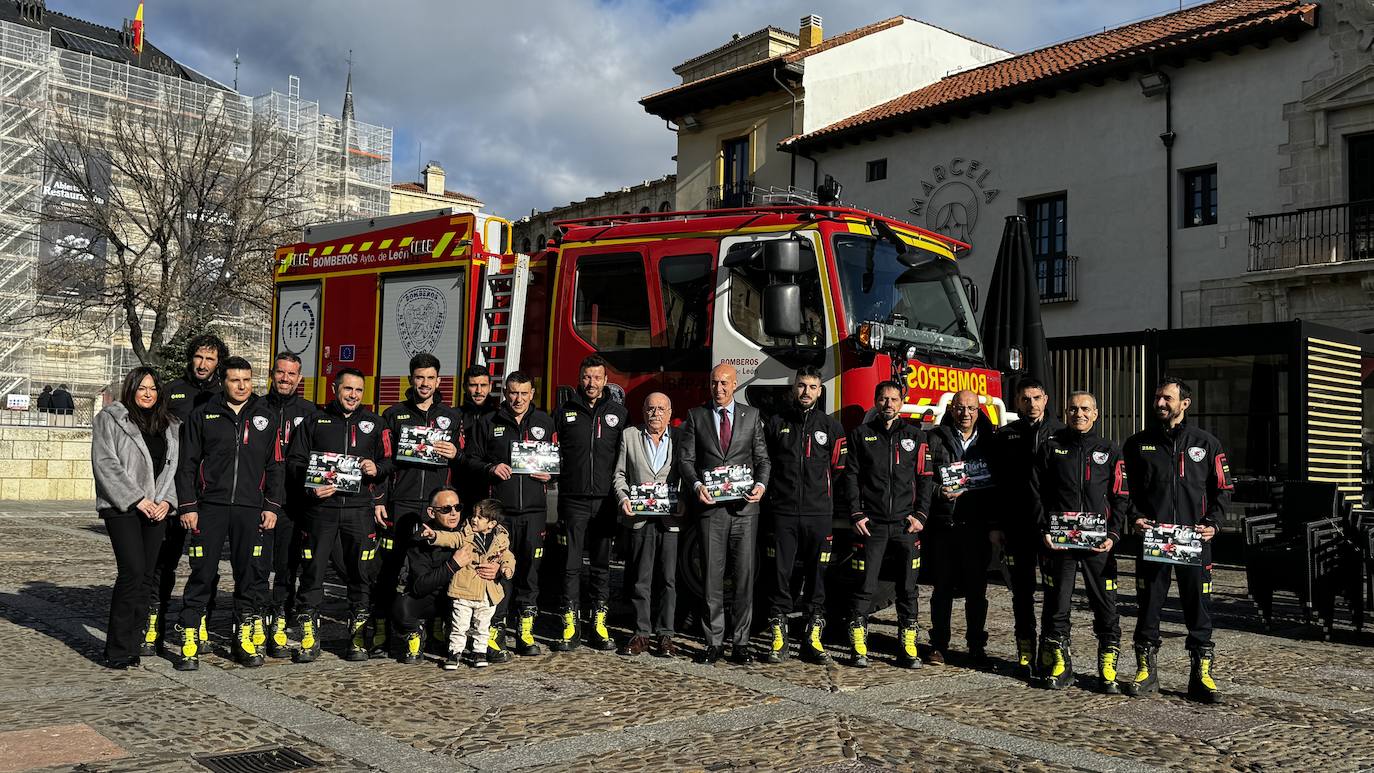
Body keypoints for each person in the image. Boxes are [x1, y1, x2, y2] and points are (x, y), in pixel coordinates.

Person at [1123, 377, 1231, 704]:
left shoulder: (1207, 444)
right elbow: (1124, 492)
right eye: (1157, 398)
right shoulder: (1137, 444)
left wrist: (1213, 522)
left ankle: (1201, 674)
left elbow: (1223, 490)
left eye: (1167, 399)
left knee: (1198, 610)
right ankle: (1146, 670)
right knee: (1148, 608)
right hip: (1154, 541)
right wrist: (1135, 517)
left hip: (1194, 542)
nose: (1159, 404)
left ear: (1184, 403)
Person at [172, 357, 284, 670]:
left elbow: (275, 465)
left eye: (247, 380)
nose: (242, 386)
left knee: (248, 574)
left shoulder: (266, 416)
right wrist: (188, 505)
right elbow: (187, 465)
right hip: (210, 508)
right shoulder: (202, 415)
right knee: (202, 573)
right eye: (235, 380)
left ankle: (242, 637)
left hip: (251, 509)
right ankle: (190, 637)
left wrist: (272, 506)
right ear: (224, 381)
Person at [1030, 391, 1132, 692]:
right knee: (1057, 605)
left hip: (1098, 544)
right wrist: (1043, 529)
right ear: (1065, 412)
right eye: (1073, 409)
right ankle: (1062, 664)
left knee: (1106, 607)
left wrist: (1113, 535)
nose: (1079, 414)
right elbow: (1036, 493)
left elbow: (1121, 496)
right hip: (1060, 544)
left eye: (1085, 409)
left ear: (1096, 414)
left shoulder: (1110, 450)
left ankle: (1107, 667)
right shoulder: (1051, 447)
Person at [288, 367, 390, 663]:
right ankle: (309, 636)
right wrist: (310, 489)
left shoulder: (375, 422)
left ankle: (357, 638)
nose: (353, 395)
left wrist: (377, 469)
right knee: (312, 572)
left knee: (360, 573)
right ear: (335, 389)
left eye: (359, 390)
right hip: (321, 511)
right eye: (348, 389)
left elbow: (388, 461)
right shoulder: (314, 420)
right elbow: (295, 461)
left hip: (359, 511)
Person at [677, 362, 770, 665]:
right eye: (714, 383)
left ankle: (741, 642)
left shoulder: (752, 416)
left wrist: (760, 486)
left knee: (744, 579)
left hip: (745, 510)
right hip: (711, 510)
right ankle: (713, 641)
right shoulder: (696, 416)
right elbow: (687, 460)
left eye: (724, 383)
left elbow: (762, 459)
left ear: (735, 384)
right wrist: (695, 485)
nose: (719, 389)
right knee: (711, 579)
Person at [374, 352, 464, 659]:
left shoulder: (452, 416)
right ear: (411, 379)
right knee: (390, 567)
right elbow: (385, 461)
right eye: (419, 377)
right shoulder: (393, 413)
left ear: (439, 381)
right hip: (402, 503)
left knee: (438, 566)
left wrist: (455, 452)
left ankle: (436, 625)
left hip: (437, 506)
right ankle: (382, 627)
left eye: (430, 378)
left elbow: (463, 461)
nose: (424, 383)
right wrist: (381, 499)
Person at [463, 370, 556, 657]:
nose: (518, 398)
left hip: (534, 512)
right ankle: (495, 631)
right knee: (498, 572)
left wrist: (550, 475)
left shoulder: (545, 422)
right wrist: (490, 468)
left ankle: (525, 632)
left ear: (532, 395)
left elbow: (556, 460)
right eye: (513, 393)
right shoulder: (490, 422)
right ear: (505, 394)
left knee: (529, 572)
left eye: (523, 393)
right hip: (500, 516)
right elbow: (470, 459)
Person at [91, 366, 179, 668]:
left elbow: (173, 470)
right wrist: (138, 499)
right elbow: (105, 465)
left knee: (146, 576)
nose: (148, 393)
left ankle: (133, 644)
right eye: (142, 388)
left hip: (157, 509)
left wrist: (167, 501)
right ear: (131, 389)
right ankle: (115, 648)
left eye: (153, 388)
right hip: (122, 507)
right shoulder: (110, 419)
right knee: (132, 571)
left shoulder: (169, 425)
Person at [841, 380, 933, 668]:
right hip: (874, 525)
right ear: (875, 401)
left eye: (894, 399)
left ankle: (907, 645)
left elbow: (925, 478)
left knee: (908, 587)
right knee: (865, 585)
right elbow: (851, 477)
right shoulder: (860, 435)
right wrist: (856, 513)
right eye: (883, 399)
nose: (888, 404)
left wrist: (921, 515)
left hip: (906, 525)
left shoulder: (915, 436)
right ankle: (858, 643)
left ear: (902, 403)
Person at [761, 366, 845, 665]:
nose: (806, 391)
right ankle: (779, 635)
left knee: (817, 577)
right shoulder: (776, 423)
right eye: (800, 386)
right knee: (780, 576)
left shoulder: (832, 428)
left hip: (819, 514)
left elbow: (838, 470)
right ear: (792, 388)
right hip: (783, 513)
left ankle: (812, 636)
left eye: (812, 386)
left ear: (820, 391)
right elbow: (765, 464)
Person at [154, 332, 228, 644]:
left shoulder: (224, 396)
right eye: (199, 357)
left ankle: (199, 621)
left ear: (217, 363)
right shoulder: (171, 391)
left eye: (210, 358)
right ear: (191, 357)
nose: (203, 363)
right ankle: (154, 618)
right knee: (164, 559)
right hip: (171, 489)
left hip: (207, 492)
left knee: (205, 563)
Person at [552, 354, 628, 652]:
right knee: (571, 565)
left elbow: (626, 456)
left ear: (606, 381)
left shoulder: (619, 414)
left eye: (597, 377)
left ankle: (599, 622)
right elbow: (549, 451)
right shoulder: (564, 411)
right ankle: (570, 623)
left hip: (606, 501)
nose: (591, 383)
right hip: (573, 500)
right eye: (586, 377)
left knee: (600, 565)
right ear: (579, 378)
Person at [991, 378, 1064, 676]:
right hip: (1016, 527)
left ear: (1046, 399)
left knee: (1053, 592)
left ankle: (1050, 649)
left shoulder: (1062, 434)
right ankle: (1025, 650)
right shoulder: (1005, 435)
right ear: (1017, 402)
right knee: (1021, 593)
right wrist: (996, 524)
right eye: (1025, 399)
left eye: (1036, 398)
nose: (1031, 404)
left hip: (1052, 528)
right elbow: (995, 486)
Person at [925, 390, 999, 667]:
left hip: (977, 527)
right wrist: (937, 492)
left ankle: (976, 647)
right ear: (952, 409)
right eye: (959, 408)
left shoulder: (991, 442)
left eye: (970, 408)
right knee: (941, 590)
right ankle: (938, 646)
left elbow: (998, 487)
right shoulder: (934, 438)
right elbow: (921, 480)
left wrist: (994, 525)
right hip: (944, 525)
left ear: (978, 411)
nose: (965, 413)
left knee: (976, 592)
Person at [612, 391, 682, 657]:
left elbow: (686, 473)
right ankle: (641, 633)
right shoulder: (630, 435)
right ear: (643, 411)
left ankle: (665, 635)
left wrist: (684, 500)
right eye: (651, 408)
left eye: (661, 409)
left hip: (670, 519)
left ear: (670, 412)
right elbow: (619, 474)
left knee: (668, 580)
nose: (656, 414)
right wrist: (623, 499)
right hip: (640, 519)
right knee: (641, 579)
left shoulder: (680, 436)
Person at [261, 352, 318, 658]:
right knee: (254, 567)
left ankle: (280, 619)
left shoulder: (310, 412)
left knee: (286, 568)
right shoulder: (256, 407)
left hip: (295, 504)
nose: (285, 378)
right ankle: (253, 619)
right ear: (273, 374)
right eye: (280, 372)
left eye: (291, 374)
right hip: (259, 501)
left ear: (300, 378)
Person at [418, 497, 515, 669]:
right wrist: (434, 536)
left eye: (479, 517)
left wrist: (506, 569)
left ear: (491, 524)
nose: (474, 519)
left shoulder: (501, 540)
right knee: (459, 625)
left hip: (487, 593)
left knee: (483, 626)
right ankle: (454, 653)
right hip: (464, 589)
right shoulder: (466, 534)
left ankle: (479, 653)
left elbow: (508, 557)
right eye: (474, 515)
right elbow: (451, 538)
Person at [391, 486, 464, 666]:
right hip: (433, 596)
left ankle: (490, 639)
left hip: (464, 596)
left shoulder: (469, 531)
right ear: (431, 512)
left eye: (458, 507)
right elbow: (419, 585)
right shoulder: (421, 539)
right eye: (446, 509)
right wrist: (453, 565)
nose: (454, 513)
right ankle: (417, 632)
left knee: (502, 587)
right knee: (402, 608)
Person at [457, 365, 500, 511]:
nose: (479, 391)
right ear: (464, 387)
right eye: (473, 385)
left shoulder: (500, 417)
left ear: (490, 386)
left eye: (483, 385)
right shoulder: (454, 416)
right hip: (458, 485)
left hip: (489, 487)